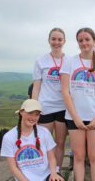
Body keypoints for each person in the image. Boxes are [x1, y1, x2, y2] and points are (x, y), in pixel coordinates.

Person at [60, 27, 95, 181]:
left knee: (94, 156)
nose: (84, 43)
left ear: (94, 41)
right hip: (74, 117)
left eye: (87, 39)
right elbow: (65, 92)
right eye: (80, 40)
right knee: (79, 156)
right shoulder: (69, 61)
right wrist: (75, 118)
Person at [0, 99, 64, 181]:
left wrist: (54, 173)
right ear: (21, 112)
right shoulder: (9, 137)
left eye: (37, 114)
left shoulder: (44, 132)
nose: (33, 118)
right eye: (30, 113)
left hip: (47, 175)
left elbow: (51, 158)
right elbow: (13, 168)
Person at [32, 28, 68, 170]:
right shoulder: (40, 60)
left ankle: (56, 172)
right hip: (45, 107)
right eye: (54, 39)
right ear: (49, 40)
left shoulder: (69, 60)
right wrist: (34, 108)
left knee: (60, 143)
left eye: (60, 39)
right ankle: (45, 171)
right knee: (44, 143)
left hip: (63, 108)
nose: (56, 42)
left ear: (64, 41)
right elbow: (36, 87)